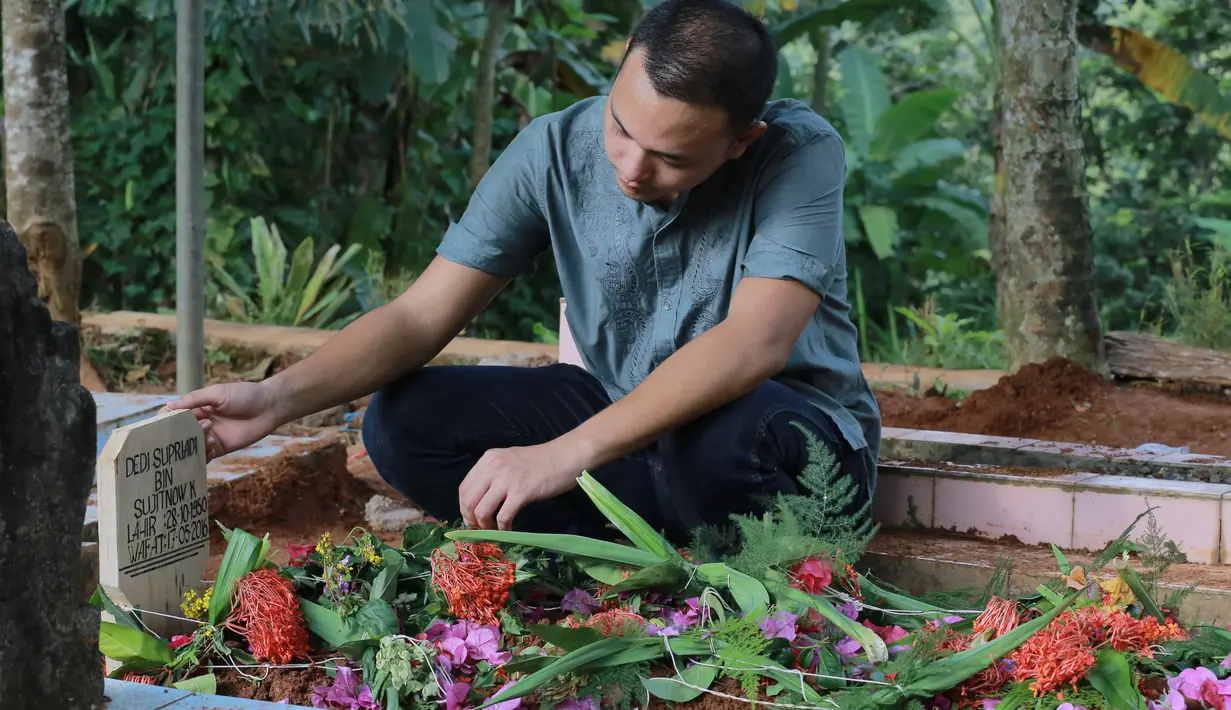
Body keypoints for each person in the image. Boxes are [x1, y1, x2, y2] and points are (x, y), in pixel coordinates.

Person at [166, 0, 881, 544]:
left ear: (738, 142)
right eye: (621, 129)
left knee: (719, 436)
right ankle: (631, 549)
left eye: (671, 158)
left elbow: (755, 342)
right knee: (404, 420)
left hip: (783, 442)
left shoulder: (794, 152)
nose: (630, 168)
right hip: (626, 429)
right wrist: (273, 400)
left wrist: (561, 455)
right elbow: (420, 316)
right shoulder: (552, 149)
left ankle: (746, 563)